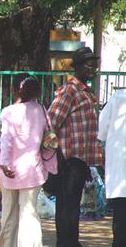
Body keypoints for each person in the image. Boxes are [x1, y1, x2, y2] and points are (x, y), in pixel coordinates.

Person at [47, 46, 103, 247]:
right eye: (89, 65)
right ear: (78, 67)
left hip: (80, 161)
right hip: (68, 161)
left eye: (95, 65)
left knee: (72, 205)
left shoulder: (85, 92)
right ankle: (65, 243)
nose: (93, 69)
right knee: (67, 205)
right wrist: (57, 154)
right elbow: (50, 123)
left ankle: (72, 241)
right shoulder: (69, 90)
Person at [0, 74, 50, 247]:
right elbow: (48, 139)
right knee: (30, 214)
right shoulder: (41, 110)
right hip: (33, 170)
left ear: (15, 90)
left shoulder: (9, 111)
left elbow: (6, 141)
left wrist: (4, 165)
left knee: (9, 215)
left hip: (10, 171)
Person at [98, 88, 126, 247]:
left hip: (119, 170)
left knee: (120, 217)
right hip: (119, 170)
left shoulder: (115, 99)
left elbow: (101, 132)